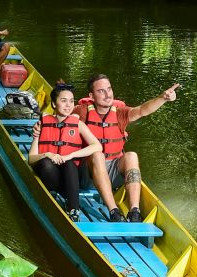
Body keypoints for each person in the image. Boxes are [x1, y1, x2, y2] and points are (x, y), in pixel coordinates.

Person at [77, 72, 180, 222]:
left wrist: (162, 98)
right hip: (87, 174)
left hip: (112, 172)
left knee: (131, 155)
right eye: (101, 91)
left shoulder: (119, 113)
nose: (107, 95)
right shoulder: (82, 111)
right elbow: (61, 117)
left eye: (109, 89)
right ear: (91, 96)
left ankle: (134, 212)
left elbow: (142, 110)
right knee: (97, 155)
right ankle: (114, 211)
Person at [28, 81, 100, 221]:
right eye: (64, 101)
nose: (68, 105)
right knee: (45, 163)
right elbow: (31, 159)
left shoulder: (78, 124)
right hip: (53, 178)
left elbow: (97, 146)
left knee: (70, 163)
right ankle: (54, 196)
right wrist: (47, 154)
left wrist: (70, 155)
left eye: (71, 101)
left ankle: (74, 209)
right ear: (54, 104)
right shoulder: (42, 124)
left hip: (73, 178)